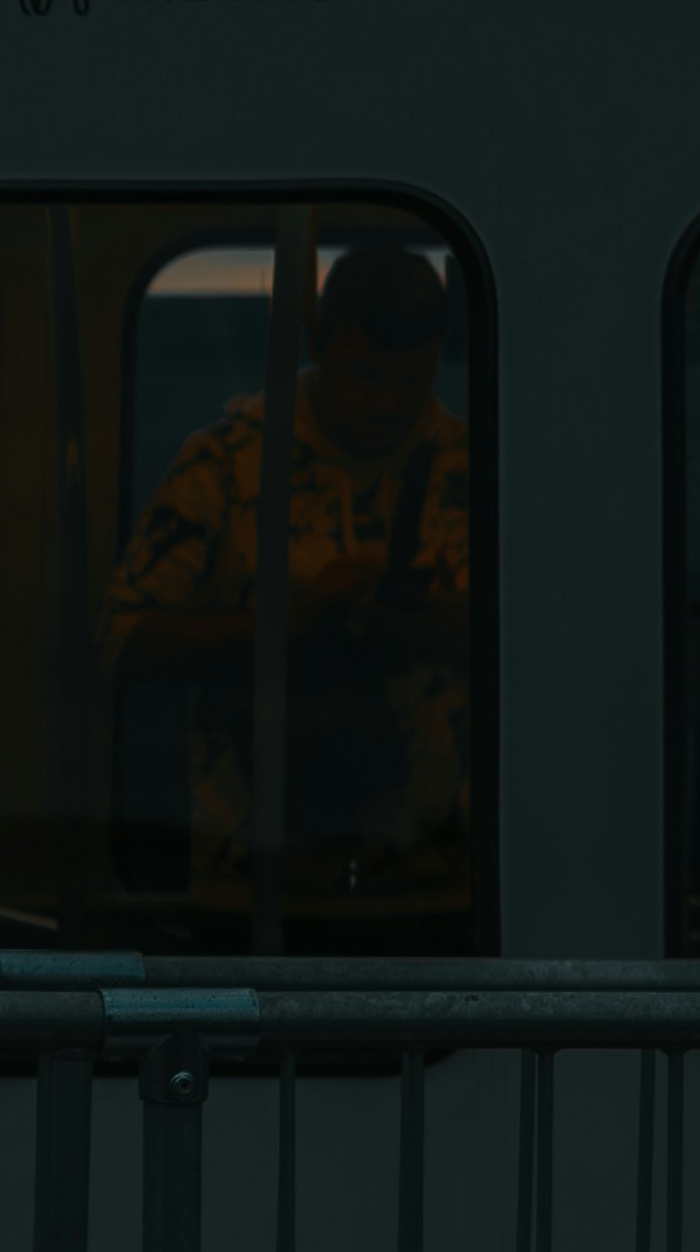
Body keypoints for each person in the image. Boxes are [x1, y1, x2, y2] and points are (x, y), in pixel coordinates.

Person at [106, 240, 480, 891]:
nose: (389, 405)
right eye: (365, 376)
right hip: (253, 876)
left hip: (443, 875)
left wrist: (443, 625)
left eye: (411, 383)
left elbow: (550, 659)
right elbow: (122, 644)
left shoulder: (471, 469)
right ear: (321, 345)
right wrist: (287, 622)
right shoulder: (229, 465)